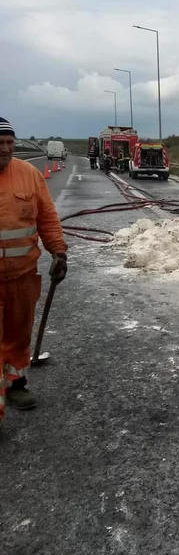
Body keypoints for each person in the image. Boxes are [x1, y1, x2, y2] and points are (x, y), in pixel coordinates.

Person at [0, 117, 67, 419]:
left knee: (18, 333)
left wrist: (58, 252)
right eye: (0, 143)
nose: (5, 149)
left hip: (22, 275)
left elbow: (47, 219)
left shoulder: (29, 175)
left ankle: (16, 384)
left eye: (9, 143)